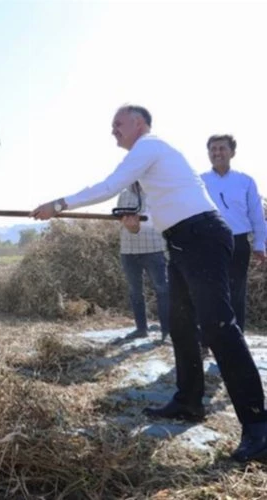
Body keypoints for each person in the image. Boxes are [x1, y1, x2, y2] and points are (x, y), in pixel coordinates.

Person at [30, 104, 267, 463]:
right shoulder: (156, 162)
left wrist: (59, 204)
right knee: (181, 325)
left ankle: (258, 428)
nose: (113, 131)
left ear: (138, 123)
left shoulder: (150, 146)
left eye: (117, 124)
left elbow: (111, 185)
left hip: (203, 235)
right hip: (184, 239)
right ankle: (189, 401)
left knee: (219, 328)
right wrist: (137, 220)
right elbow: (169, 212)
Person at [200, 134, 266, 334]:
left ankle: (237, 339)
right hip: (208, 243)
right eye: (213, 149)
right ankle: (206, 340)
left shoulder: (245, 181)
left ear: (232, 152)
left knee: (236, 292)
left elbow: (256, 215)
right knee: (207, 292)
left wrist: (260, 245)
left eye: (222, 148)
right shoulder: (199, 181)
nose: (217, 153)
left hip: (238, 242)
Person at [115, 182, 170, 342]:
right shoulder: (123, 194)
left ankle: (167, 332)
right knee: (135, 291)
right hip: (128, 249)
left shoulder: (156, 192)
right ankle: (141, 329)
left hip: (154, 248)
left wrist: (139, 225)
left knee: (163, 290)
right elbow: (121, 220)